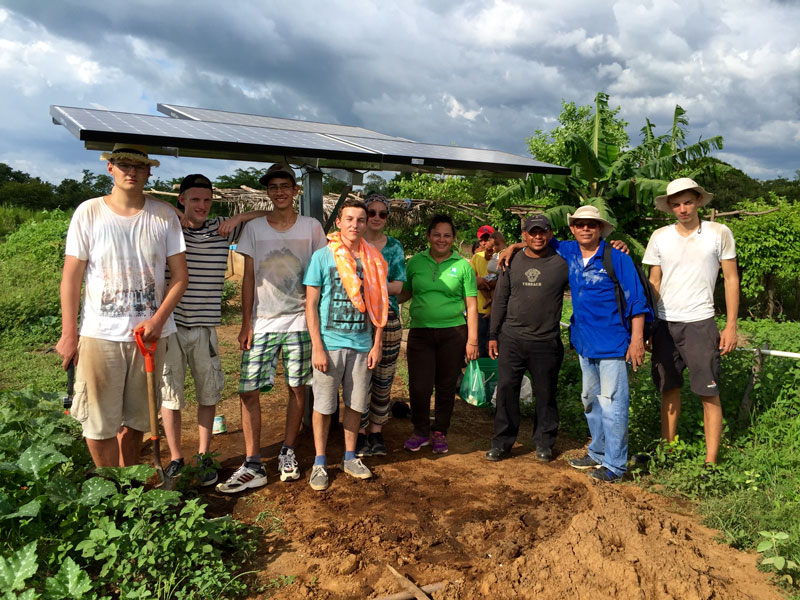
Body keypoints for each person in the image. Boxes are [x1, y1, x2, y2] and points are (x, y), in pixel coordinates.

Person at [56, 144, 188, 468]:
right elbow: (71, 278)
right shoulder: (89, 213)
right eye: (124, 165)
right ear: (110, 168)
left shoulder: (164, 215)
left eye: (139, 167)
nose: (131, 172)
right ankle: (108, 486)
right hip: (101, 334)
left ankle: (127, 487)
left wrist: (158, 321)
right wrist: (69, 334)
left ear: (148, 172)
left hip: (149, 338)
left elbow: (181, 277)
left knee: (138, 421)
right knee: (98, 424)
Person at [216, 163, 326, 494]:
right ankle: (252, 462)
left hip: (299, 321)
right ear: (268, 192)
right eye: (273, 187)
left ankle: (288, 449)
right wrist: (246, 321)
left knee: (297, 388)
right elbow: (248, 276)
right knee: (248, 390)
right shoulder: (255, 230)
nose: (279, 191)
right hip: (262, 321)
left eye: (285, 186)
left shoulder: (311, 227)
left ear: (296, 191)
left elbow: (321, 271)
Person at [159, 174, 268, 486]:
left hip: (205, 327)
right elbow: (145, 201)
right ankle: (177, 458)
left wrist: (238, 217)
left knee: (208, 394)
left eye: (207, 200)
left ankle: (204, 455)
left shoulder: (222, 227)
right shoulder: (169, 227)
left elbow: (270, 214)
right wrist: (172, 213)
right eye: (194, 200)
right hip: (172, 326)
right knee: (171, 396)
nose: (202, 206)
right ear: (181, 200)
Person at [643, 178, 739, 465]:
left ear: (698, 201)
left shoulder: (718, 233)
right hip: (665, 323)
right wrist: (649, 323)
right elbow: (654, 281)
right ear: (670, 207)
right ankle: (667, 452)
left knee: (708, 392)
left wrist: (731, 325)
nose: (682, 209)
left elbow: (731, 279)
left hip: (700, 322)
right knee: (668, 387)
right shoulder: (659, 236)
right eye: (676, 204)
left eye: (687, 202)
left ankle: (711, 461)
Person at [304, 199, 388, 491]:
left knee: (355, 405)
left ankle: (350, 457)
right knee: (324, 407)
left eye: (360, 220)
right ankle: (319, 460)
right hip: (329, 345)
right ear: (338, 222)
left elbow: (380, 306)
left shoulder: (374, 260)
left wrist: (376, 344)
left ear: (366, 224)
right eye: (349, 219)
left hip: (362, 345)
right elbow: (311, 306)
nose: (355, 225)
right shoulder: (322, 257)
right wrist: (317, 346)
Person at [560, 205, 648, 483]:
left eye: (592, 225)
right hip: (585, 342)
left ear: (601, 229)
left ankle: (615, 464)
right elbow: (536, 239)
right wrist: (512, 247)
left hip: (613, 343)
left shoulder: (616, 258)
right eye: (580, 224)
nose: (586, 228)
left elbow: (636, 301)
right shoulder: (568, 251)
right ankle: (597, 452)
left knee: (613, 404)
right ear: (573, 228)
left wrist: (636, 340)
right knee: (589, 399)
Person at [486, 215, 568, 462]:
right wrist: (493, 335)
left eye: (542, 232)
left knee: (546, 394)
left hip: (546, 341)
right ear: (524, 235)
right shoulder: (510, 261)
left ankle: (544, 442)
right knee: (507, 391)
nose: (537, 237)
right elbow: (500, 300)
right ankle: (502, 442)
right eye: (532, 232)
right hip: (512, 338)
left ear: (550, 234)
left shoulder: (562, 262)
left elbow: (588, 248)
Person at [399, 214, 479, 454]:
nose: (441, 239)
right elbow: (405, 293)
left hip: (453, 333)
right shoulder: (415, 263)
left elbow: (472, 305)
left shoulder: (463, 265)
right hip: (421, 333)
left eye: (447, 235)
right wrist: (379, 297)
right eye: (437, 234)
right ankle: (420, 431)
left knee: (445, 386)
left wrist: (473, 340)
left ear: (453, 238)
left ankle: (440, 431)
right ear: (428, 236)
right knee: (419, 386)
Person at [356, 194, 406, 458]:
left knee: (384, 377)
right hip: (355, 319)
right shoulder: (353, 243)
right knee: (359, 377)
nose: (376, 218)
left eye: (381, 214)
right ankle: (360, 431)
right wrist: (378, 288)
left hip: (387, 317)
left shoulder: (394, 247)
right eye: (371, 213)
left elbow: (398, 285)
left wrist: (367, 287)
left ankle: (376, 430)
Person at [470, 224, 495, 357]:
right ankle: (482, 375)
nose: (485, 242)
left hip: (498, 310)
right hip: (480, 309)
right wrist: (477, 281)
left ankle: (496, 374)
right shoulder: (477, 257)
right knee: (481, 345)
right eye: (482, 240)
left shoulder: (500, 255)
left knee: (496, 345)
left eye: (488, 238)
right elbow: (468, 278)